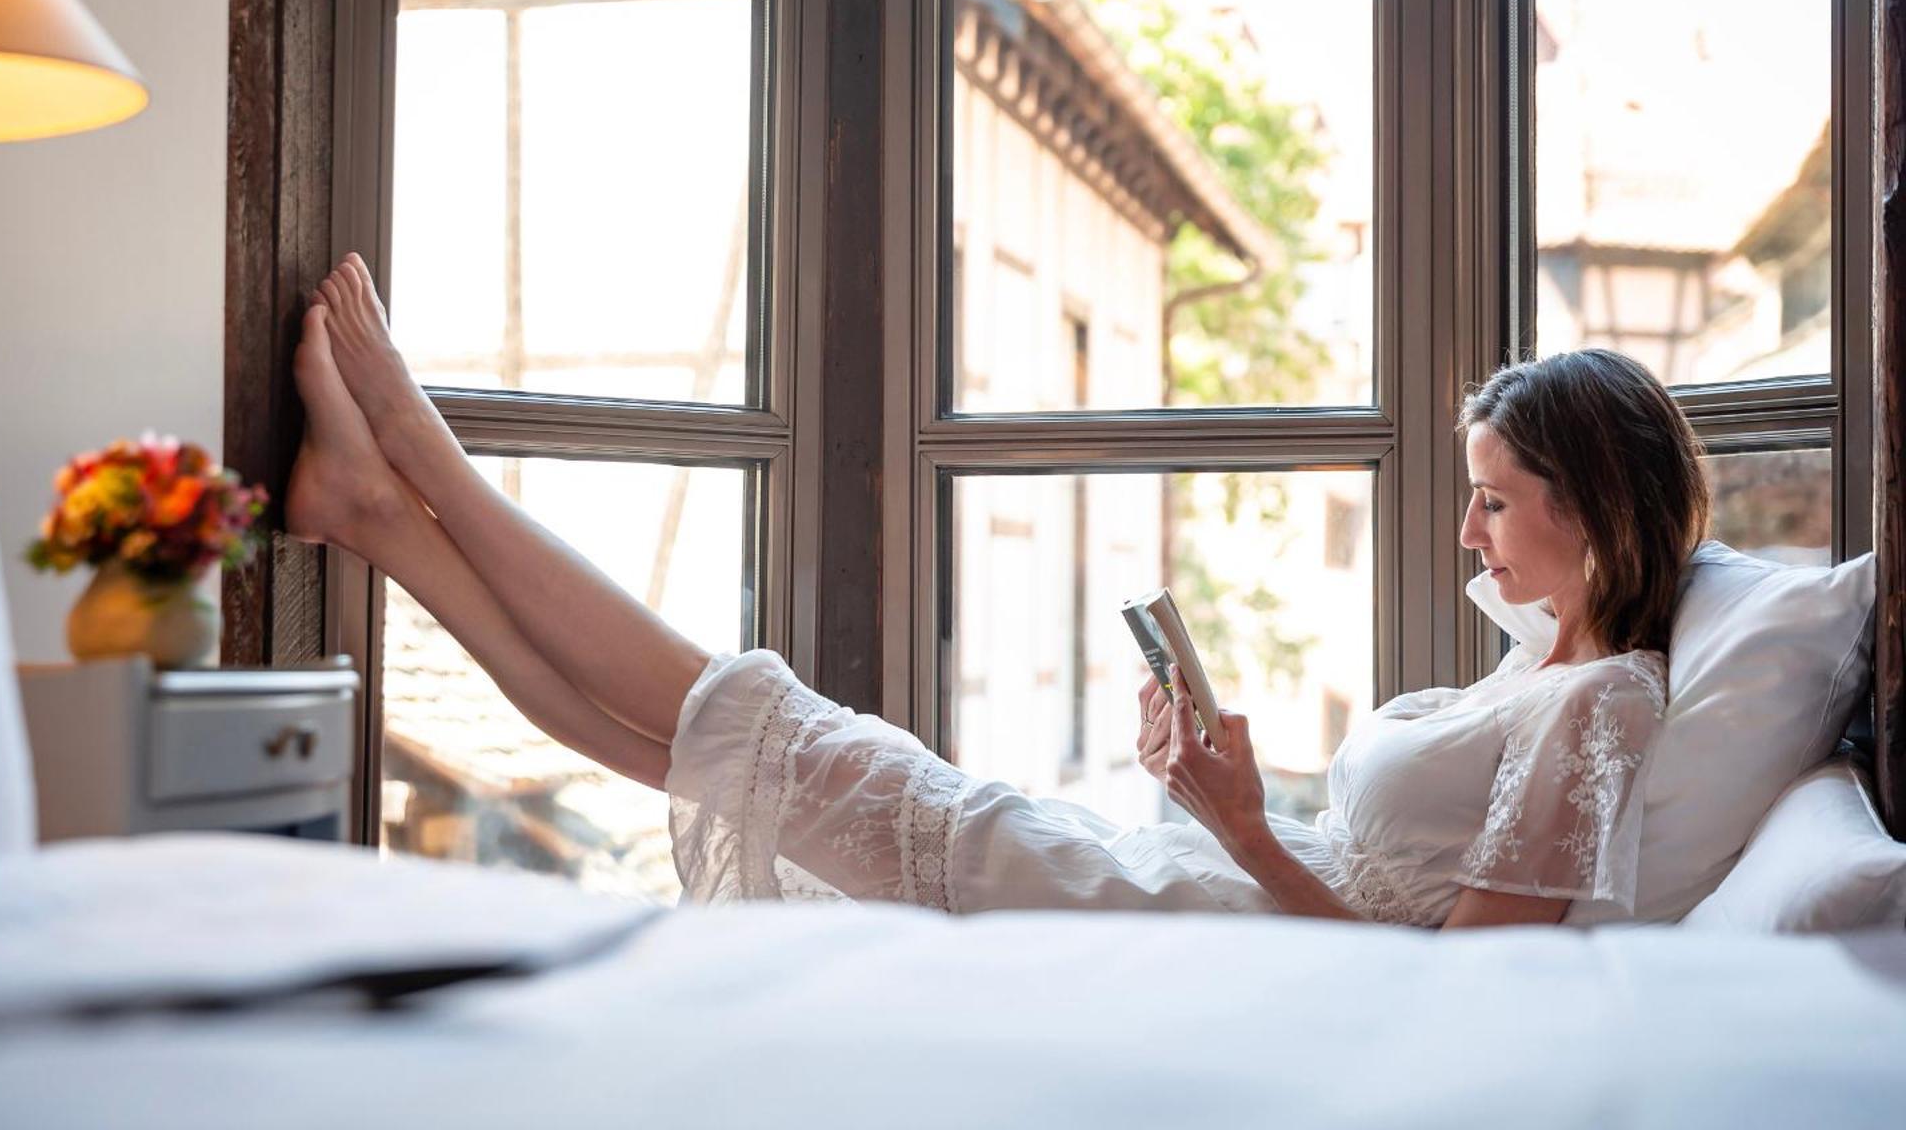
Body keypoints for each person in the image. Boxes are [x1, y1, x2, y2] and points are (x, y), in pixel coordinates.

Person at [289, 254, 1708, 928]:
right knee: (705, 743)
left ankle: (422, 460)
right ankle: (389, 524)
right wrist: (1221, 793)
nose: (1466, 530)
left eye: (1497, 497)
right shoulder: (1535, 668)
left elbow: (1462, 982)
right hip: (1153, 877)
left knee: (738, 717)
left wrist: (1238, 829)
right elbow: (1377, 869)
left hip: (1145, 910)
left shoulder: (1602, 702)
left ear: (1592, 501)